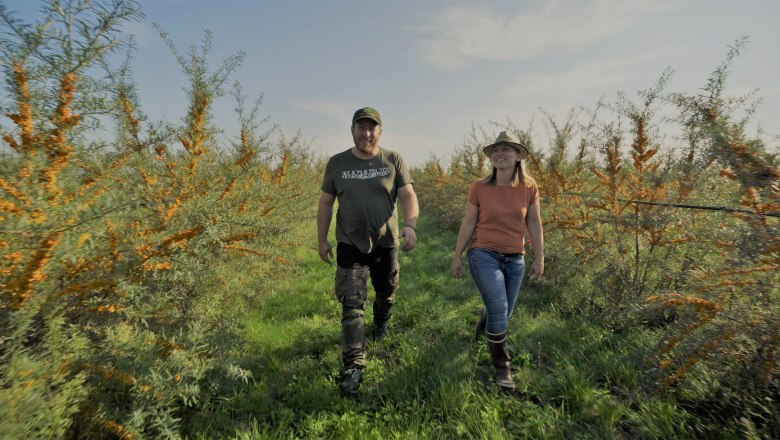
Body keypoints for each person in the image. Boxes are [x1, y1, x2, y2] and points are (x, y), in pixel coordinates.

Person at [317, 107, 419, 396]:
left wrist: (410, 226)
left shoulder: (393, 160)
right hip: (350, 242)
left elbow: (408, 195)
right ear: (352, 131)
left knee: (386, 291)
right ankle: (354, 365)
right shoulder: (337, 163)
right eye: (361, 127)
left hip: (386, 242)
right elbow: (326, 203)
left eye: (372, 128)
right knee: (352, 304)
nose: (366, 133)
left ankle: (382, 323)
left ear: (380, 132)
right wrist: (322, 239)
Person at [451, 130, 544, 390]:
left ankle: (484, 322)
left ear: (518, 156)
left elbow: (534, 222)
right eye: (495, 150)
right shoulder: (479, 187)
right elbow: (469, 222)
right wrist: (457, 255)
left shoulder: (529, 187)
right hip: (483, 253)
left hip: (515, 258)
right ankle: (503, 368)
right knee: (500, 309)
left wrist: (540, 257)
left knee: (503, 312)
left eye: (506, 149)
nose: (499, 153)